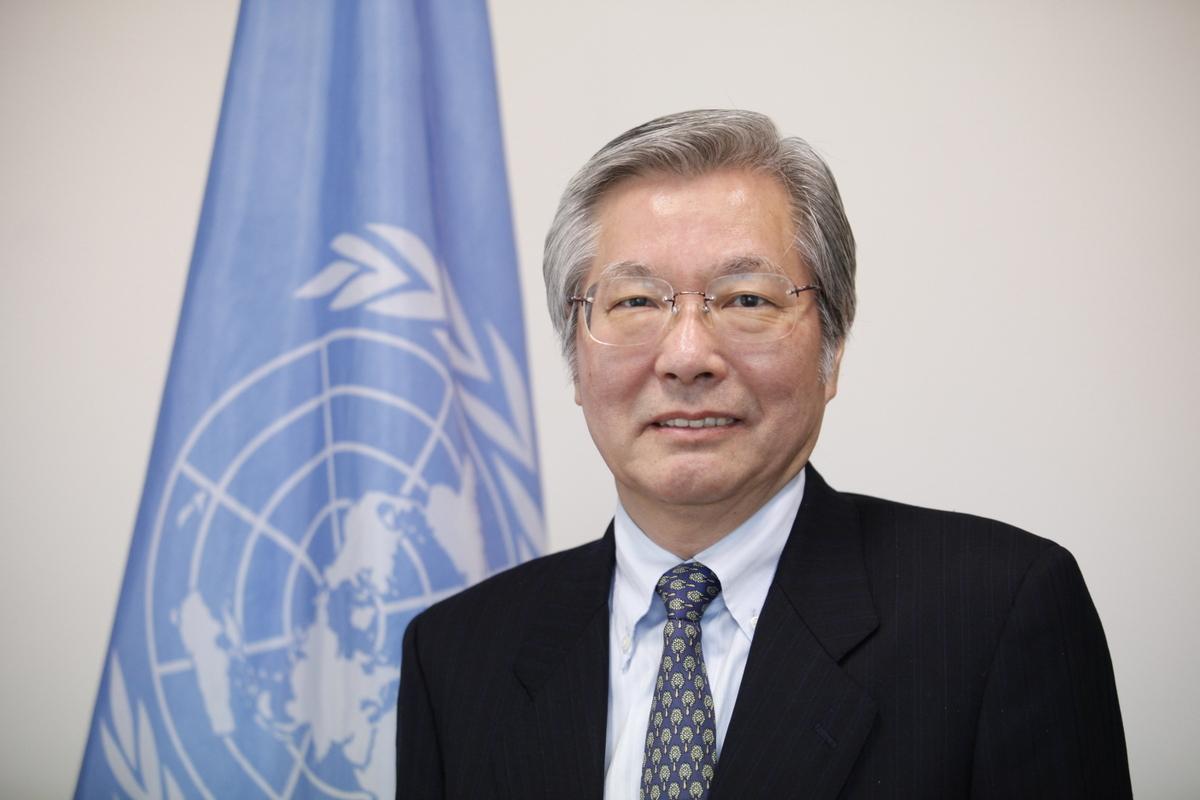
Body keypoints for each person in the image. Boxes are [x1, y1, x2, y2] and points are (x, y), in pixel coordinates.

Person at [396, 110, 1131, 799]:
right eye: (636, 301)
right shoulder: (455, 654)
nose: (687, 357)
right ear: (575, 359)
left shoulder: (997, 613)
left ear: (832, 349)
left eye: (747, 299)